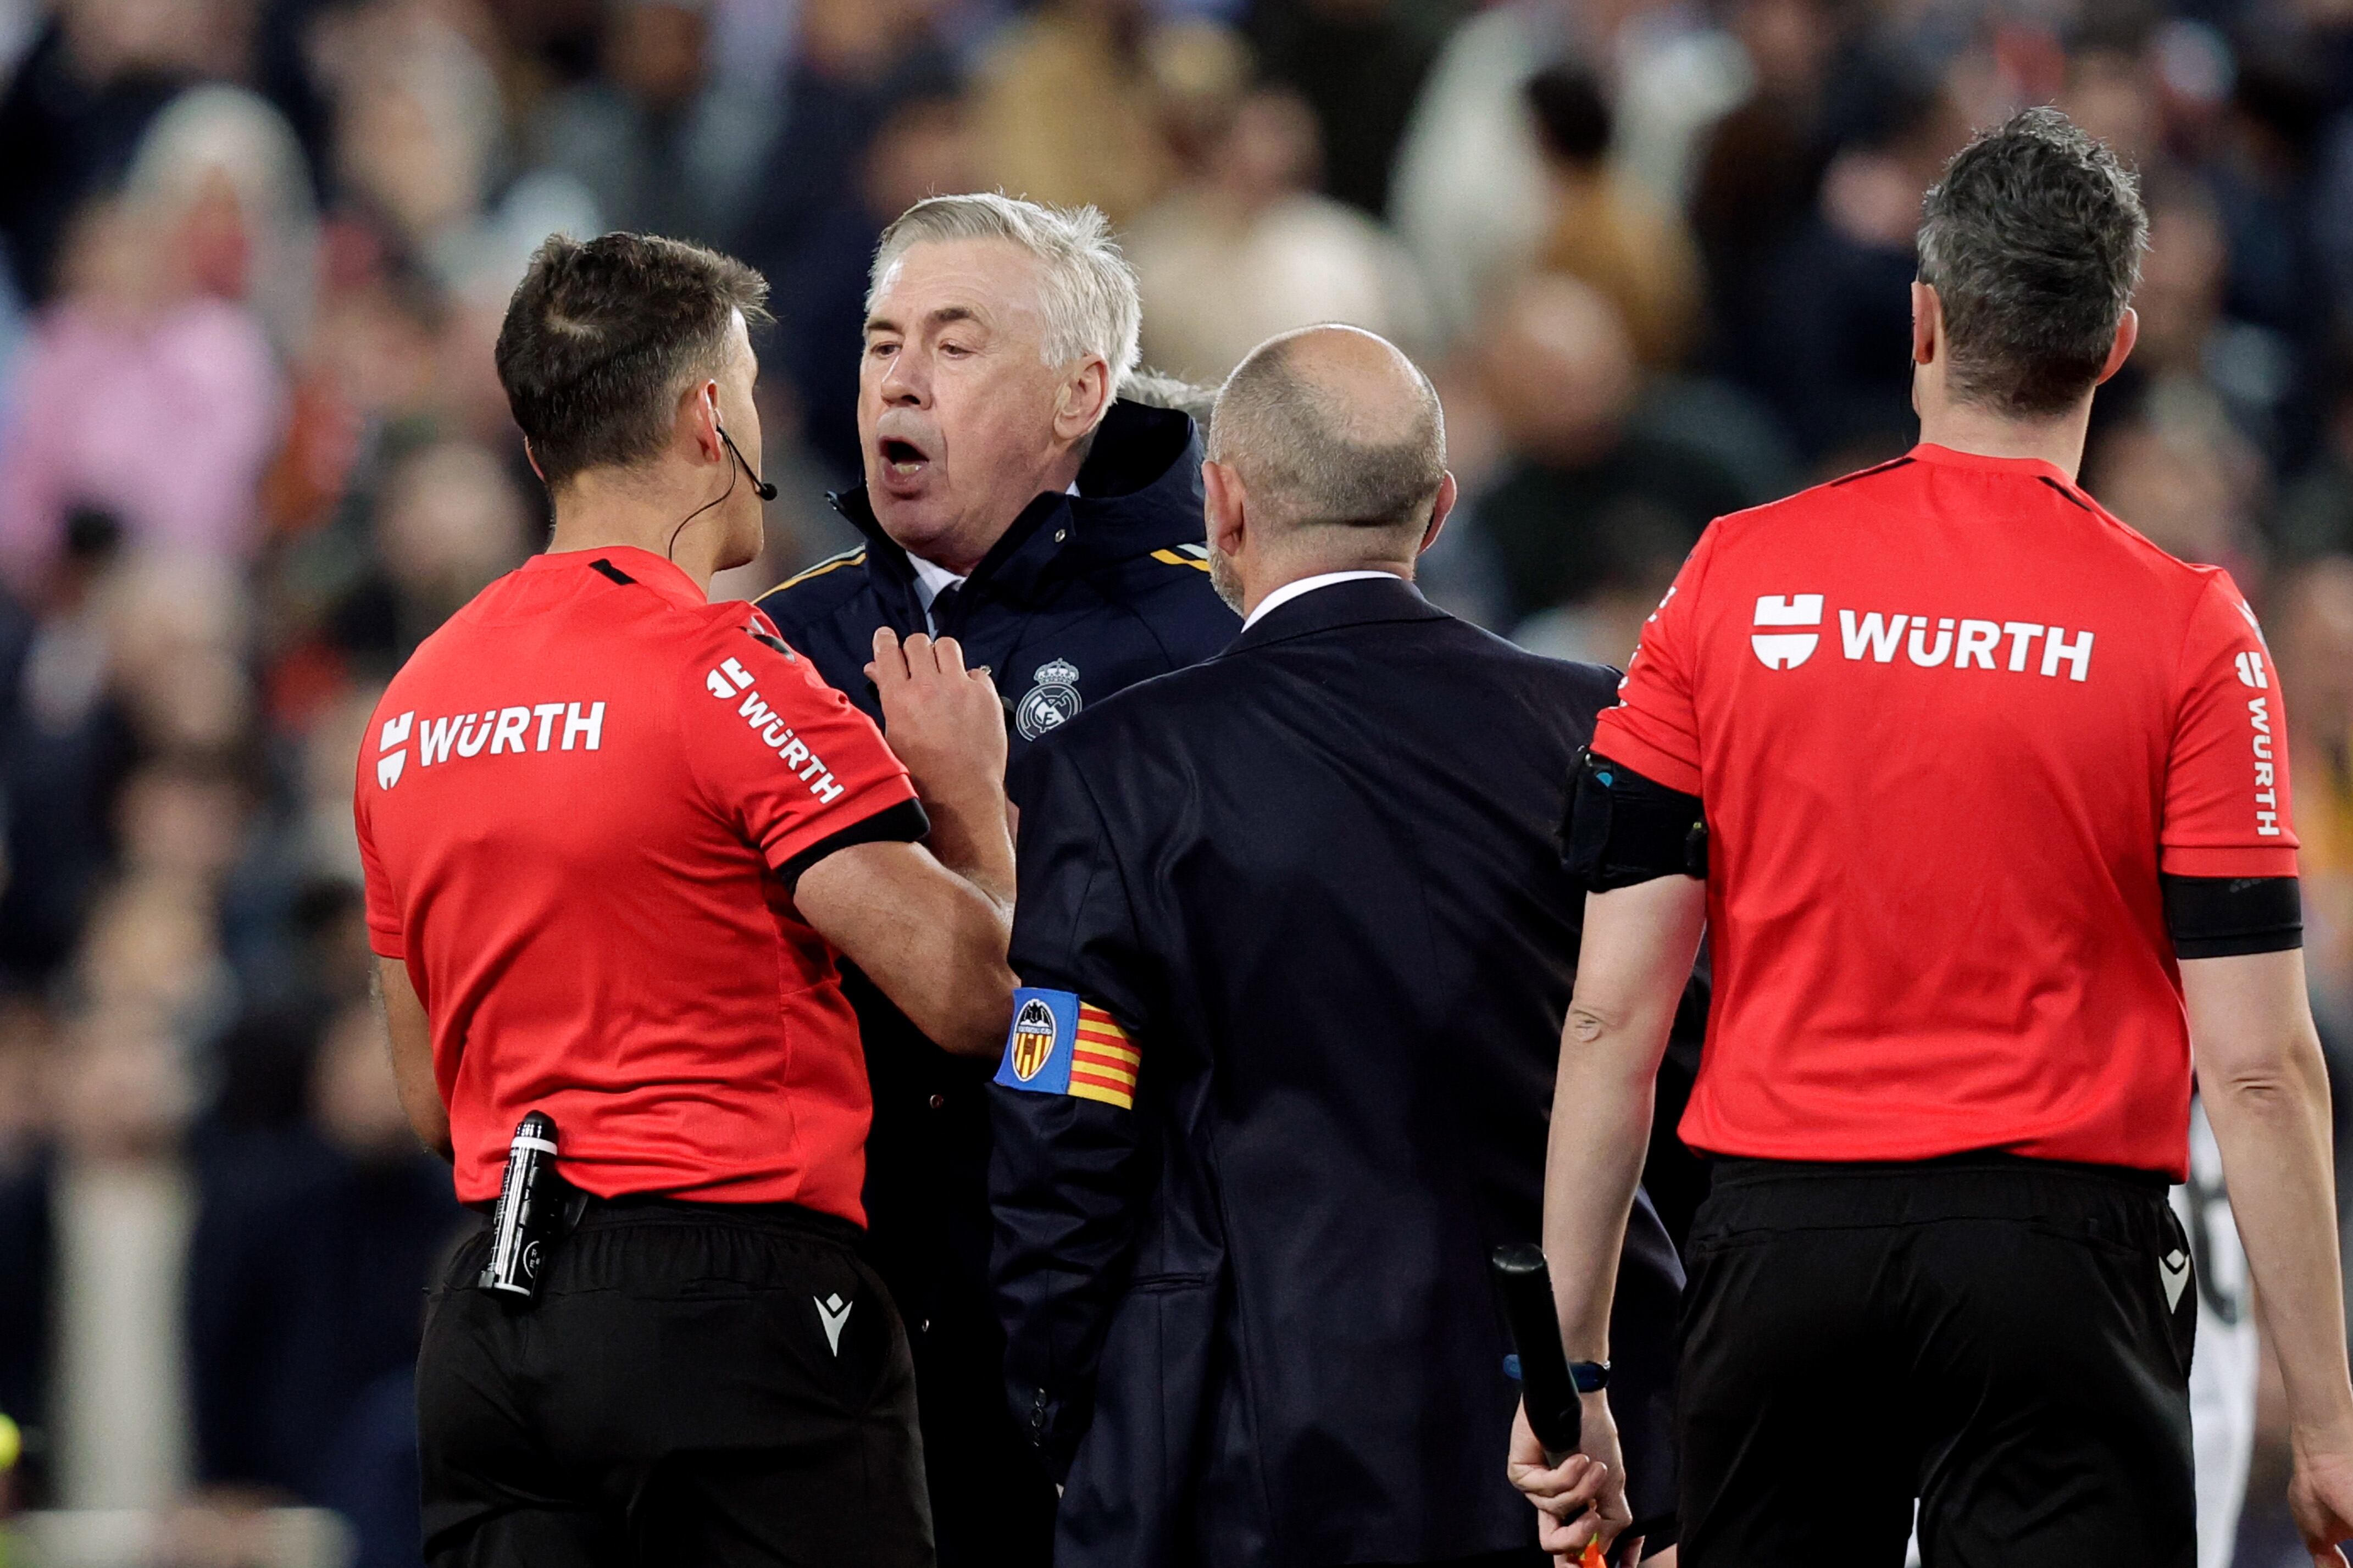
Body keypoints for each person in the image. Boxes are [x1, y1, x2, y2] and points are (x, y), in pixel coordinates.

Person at [1510, 108, 2353, 1568]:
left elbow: (1611, 1015)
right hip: (2059, 1262)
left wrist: (1573, 1368)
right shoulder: (2189, 627)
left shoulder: (1729, 578)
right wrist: (2333, 1422)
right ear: (2114, 344)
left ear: (1922, 321)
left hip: (1778, 1251)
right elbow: (2263, 1062)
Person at [354, 231, 1019, 1567]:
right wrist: (969, 807)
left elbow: (431, 1100)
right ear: (706, 416)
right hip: (731, 1314)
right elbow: (966, 998)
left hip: (491, 1321)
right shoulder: (725, 672)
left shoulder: (408, 708)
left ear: (540, 446)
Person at [989, 324, 1686, 1568]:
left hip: (1250, 1446)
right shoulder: (1606, 726)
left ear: (1223, 502)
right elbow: (1675, 1073)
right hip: (1574, 1438)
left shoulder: (1114, 770)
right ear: (1437, 511)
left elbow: (1065, 1125)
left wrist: (1052, 1397)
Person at [753, 191, 1234, 1565]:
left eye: (954, 345)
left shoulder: (1203, 632)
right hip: (842, 1304)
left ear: (1082, 390)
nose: (900, 377)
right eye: (883, 342)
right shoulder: (779, 645)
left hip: (1130, 1293)